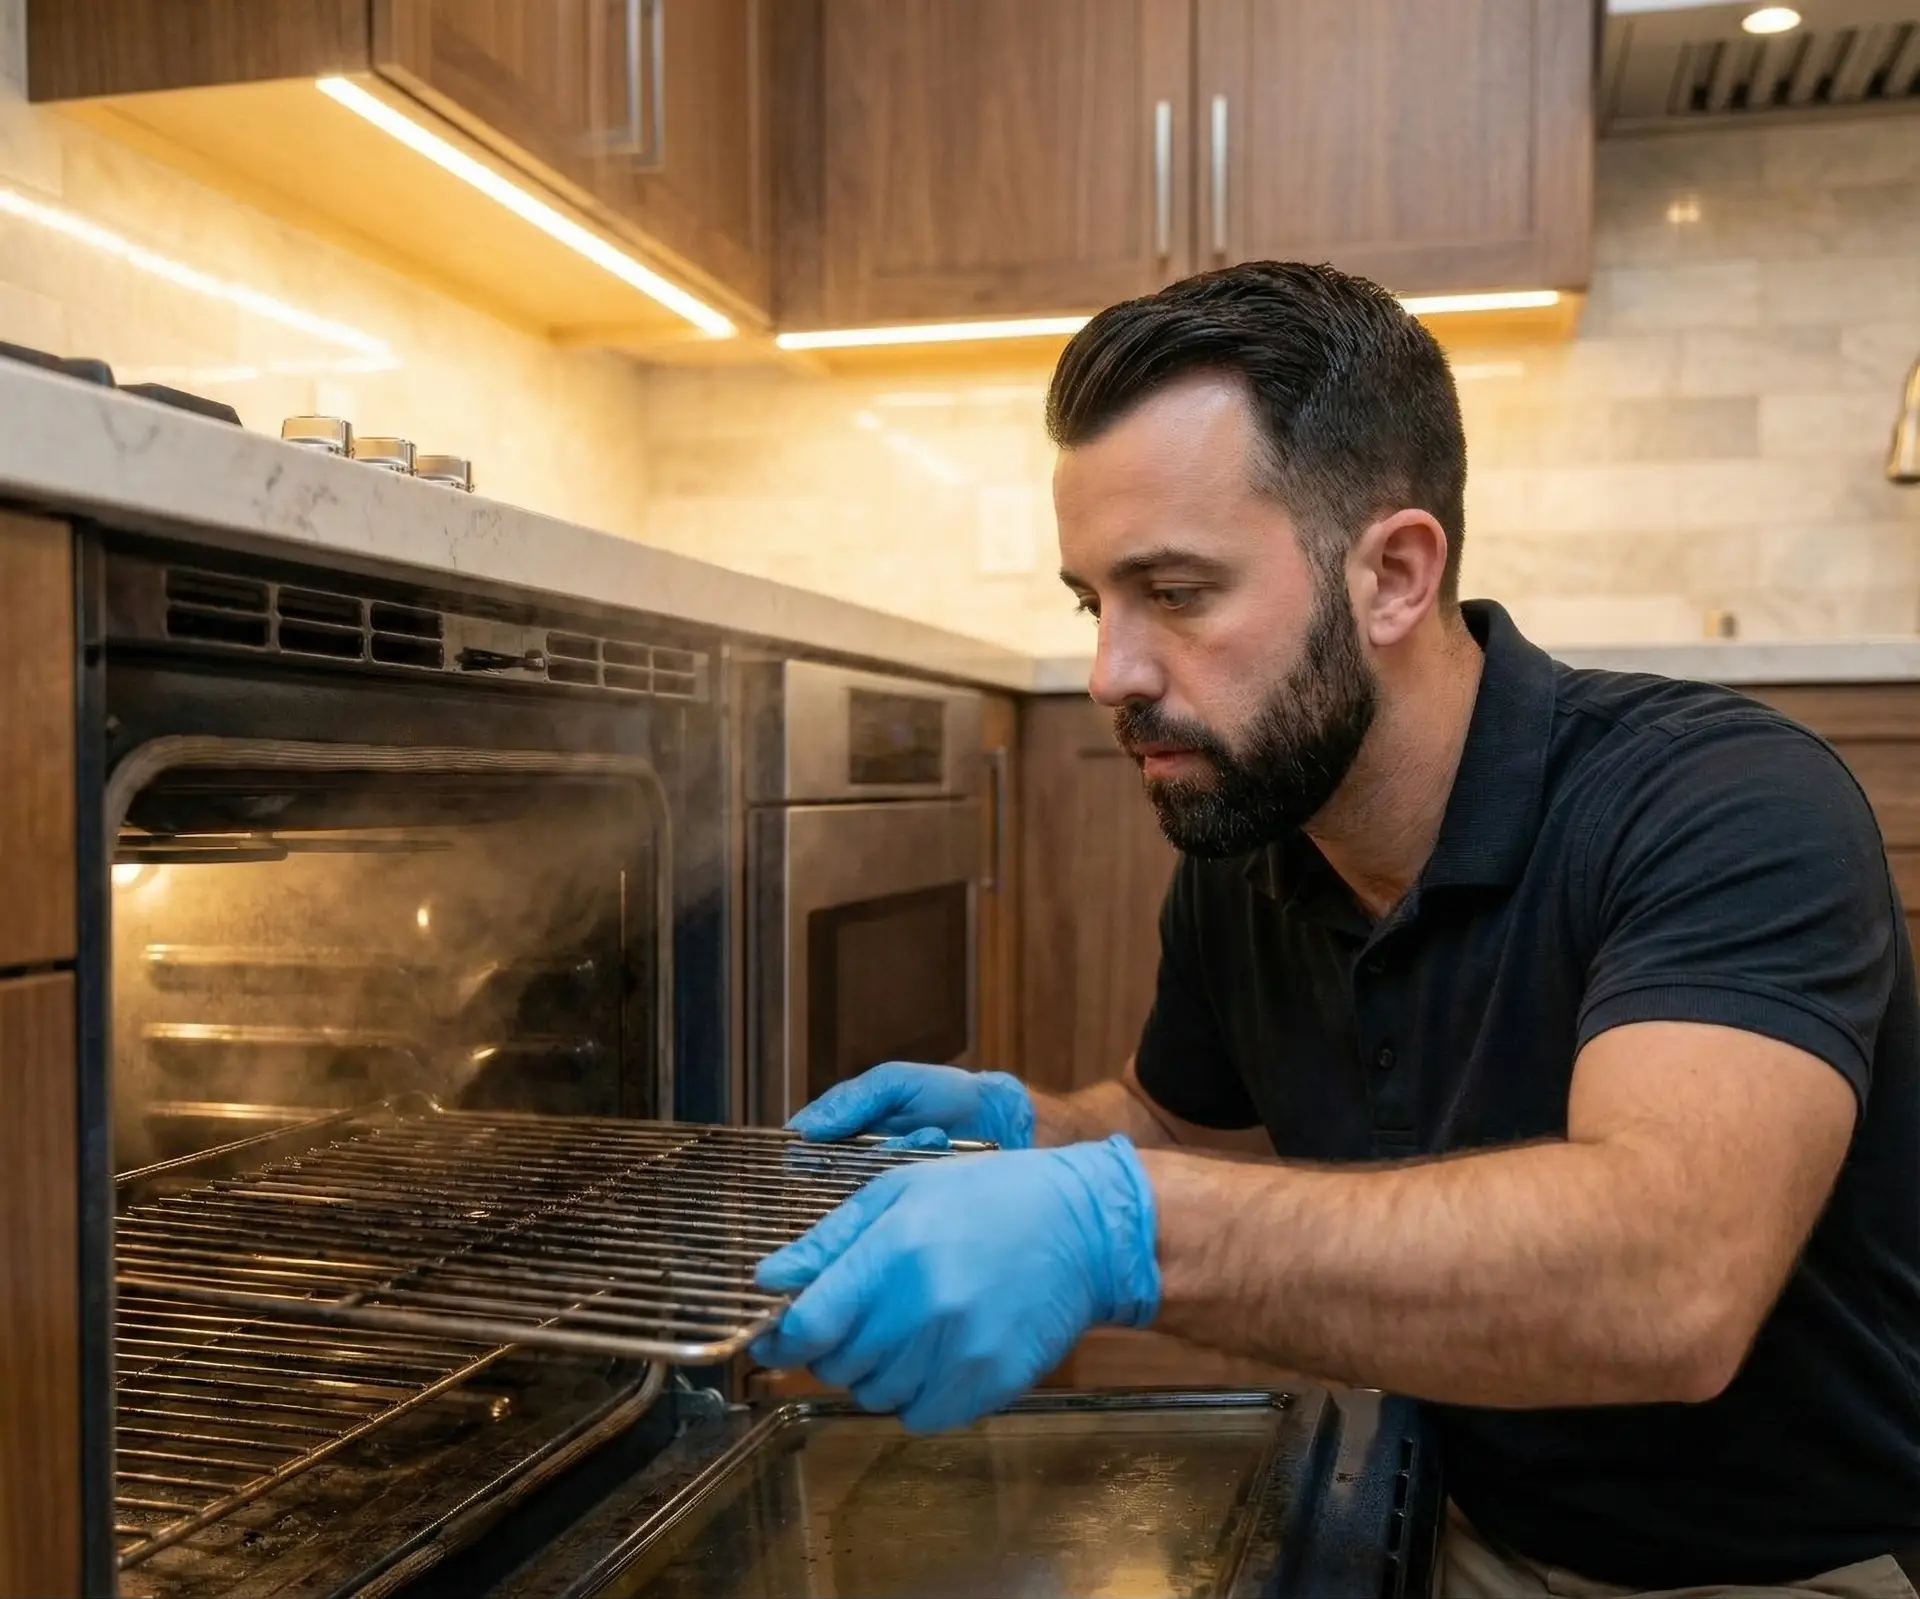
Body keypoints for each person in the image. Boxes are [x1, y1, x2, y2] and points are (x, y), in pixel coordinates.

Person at [749, 261, 1920, 1596]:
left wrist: (1120, 1229)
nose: (1110, 673)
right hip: (1455, 1520)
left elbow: (1672, 1282)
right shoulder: (1256, 835)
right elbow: (1181, 1125)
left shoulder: (1720, 801)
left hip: (1803, 1568)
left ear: (1394, 576)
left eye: (1176, 592)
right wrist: (1025, 1134)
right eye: (1093, 603)